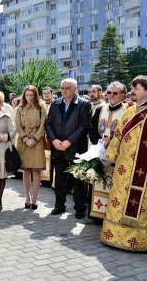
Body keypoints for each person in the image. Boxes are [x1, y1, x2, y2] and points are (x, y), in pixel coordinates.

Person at [100, 75, 147, 251]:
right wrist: (108, 160)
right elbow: (118, 137)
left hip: (143, 172)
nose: (133, 91)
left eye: (137, 88)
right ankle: (115, 236)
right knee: (119, 200)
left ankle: (139, 241)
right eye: (133, 87)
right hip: (123, 169)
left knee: (141, 205)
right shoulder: (129, 111)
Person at [45, 78, 91, 218]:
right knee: (59, 179)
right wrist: (53, 140)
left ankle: (79, 209)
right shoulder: (55, 103)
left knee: (78, 180)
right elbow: (48, 124)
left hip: (77, 148)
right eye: (62, 88)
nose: (64, 90)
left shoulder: (84, 104)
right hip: (58, 148)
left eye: (67, 88)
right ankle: (59, 205)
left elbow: (84, 125)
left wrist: (69, 141)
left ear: (75, 89)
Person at [88, 81, 127, 222]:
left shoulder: (127, 111)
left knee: (112, 184)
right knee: (98, 181)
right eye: (109, 92)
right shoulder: (100, 109)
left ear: (122, 95)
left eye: (115, 93)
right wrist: (98, 141)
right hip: (100, 151)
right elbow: (91, 127)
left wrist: (111, 140)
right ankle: (97, 215)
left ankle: (110, 216)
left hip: (116, 154)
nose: (111, 95)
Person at [15, 85, 46, 210]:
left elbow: (43, 125)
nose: (29, 98)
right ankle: (27, 197)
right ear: (24, 95)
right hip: (24, 142)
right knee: (26, 170)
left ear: (36, 95)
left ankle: (35, 198)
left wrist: (34, 139)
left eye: (32, 95)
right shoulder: (19, 108)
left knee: (36, 170)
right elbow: (17, 126)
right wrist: (25, 139)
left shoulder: (41, 107)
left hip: (37, 142)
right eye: (27, 95)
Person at [41, 87, 54, 185]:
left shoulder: (56, 104)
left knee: (52, 157)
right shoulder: (40, 105)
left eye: (48, 93)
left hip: (52, 134)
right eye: (44, 93)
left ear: (52, 94)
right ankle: (43, 179)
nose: (46, 95)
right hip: (42, 134)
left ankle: (51, 179)